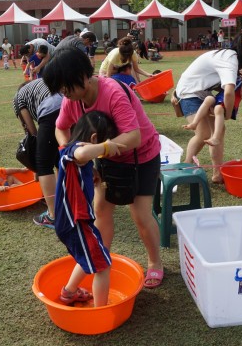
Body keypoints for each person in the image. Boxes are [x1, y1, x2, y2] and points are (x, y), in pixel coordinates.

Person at [44, 47, 164, 289]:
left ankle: (155, 263)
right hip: (107, 157)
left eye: (66, 86)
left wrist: (95, 151)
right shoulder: (72, 100)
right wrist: (69, 148)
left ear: (84, 75)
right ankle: (101, 259)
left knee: (140, 214)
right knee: (100, 209)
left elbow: (133, 137)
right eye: (60, 88)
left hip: (142, 156)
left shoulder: (112, 93)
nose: (64, 92)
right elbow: (60, 128)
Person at [173, 33, 242, 183]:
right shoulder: (230, 59)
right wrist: (228, 113)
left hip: (201, 92)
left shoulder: (231, 58)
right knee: (203, 133)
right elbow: (229, 91)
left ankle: (217, 174)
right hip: (189, 92)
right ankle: (185, 167)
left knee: (218, 130)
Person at [55, 111, 123, 307]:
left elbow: (81, 159)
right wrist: (104, 147)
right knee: (103, 265)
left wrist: (90, 171)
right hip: (76, 223)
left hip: (74, 222)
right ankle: (100, 311)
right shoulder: (75, 151)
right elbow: (83, 153)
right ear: (93, 139)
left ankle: (69, 293)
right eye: (101, 143)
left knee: (91, 256)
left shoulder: (68, 151)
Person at [13, 78, 63, 229]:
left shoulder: (18, 97)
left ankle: (53, 216)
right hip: (68, 103)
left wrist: (35, 166)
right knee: (63, 158)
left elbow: (32, 133)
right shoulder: (41, 83)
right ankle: (71, 201)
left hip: (52, 110)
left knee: (43, 164)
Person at [183, 60, 242, 146]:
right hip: (220, 97)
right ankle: (194, 123)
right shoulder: (233, 73)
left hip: (231, 101)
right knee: (208, 99)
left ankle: (216, 138)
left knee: (218, 108)